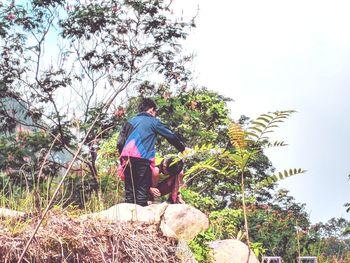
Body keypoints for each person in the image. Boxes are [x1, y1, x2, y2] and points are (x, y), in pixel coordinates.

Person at [117, 98, 185, 206]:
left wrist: (124, 157)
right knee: (141, 194)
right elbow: (170, 135)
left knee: (130, 193)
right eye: (155, 112)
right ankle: (140, 219)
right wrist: (182, 148)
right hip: (142, 159)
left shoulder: (129, 122)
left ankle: (129, 218)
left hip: (126, 158)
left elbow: (120, 143)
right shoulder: (153, 122)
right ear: (151, 110)